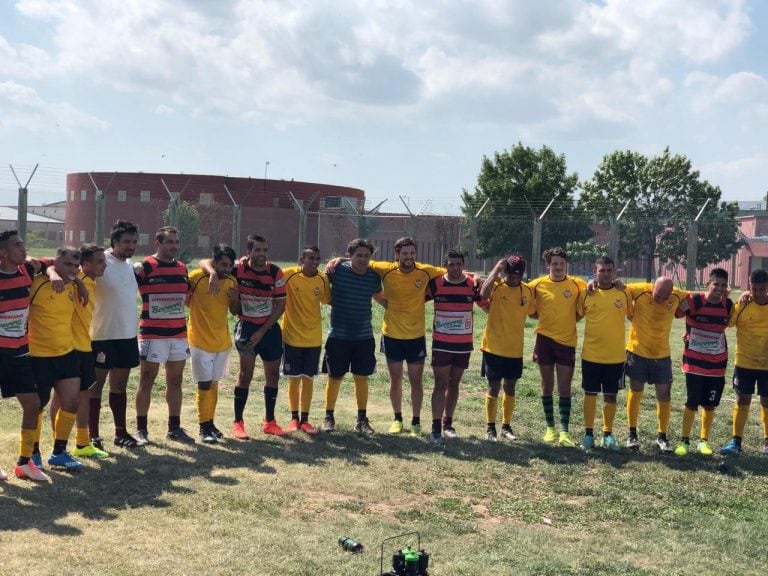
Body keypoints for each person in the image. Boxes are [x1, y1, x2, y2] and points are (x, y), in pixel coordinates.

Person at [209, 234, 286, 439]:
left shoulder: (275, 272)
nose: (262, 254)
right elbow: (207, 262)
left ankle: (269, 421)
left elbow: (280, 306)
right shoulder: (237, 268)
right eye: (257, 250)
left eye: (265, 250)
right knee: (245, 375)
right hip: (247, 328)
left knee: (272, 376)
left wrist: (262, 331)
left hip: (269, 330)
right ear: (248, 252)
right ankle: (238, 423)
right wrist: (212, 275)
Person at [369, 237, 443, 436]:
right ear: (397, 255)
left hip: (416, 336)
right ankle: (397, 419)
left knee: (416, 380)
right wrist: (337, 261)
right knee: (395, 379)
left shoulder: (426, 271)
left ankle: (416, 421)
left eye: (411, 253)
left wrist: (475, 277)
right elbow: (362, 261)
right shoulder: (386, 269)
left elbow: (454, 272)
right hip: (392, 334)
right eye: (404, 254)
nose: (408, 257)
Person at [134, 226, 193, 445]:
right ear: (158, 244)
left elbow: (186, 297)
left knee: (176, 381)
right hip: (152, 334)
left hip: (178, 334)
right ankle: (141, 429)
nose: (174, 246)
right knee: (147, 381)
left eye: (177, 242)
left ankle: (174, 427)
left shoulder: (182, 267)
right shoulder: (146, 266)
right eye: (169, 242)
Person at [28, 246, 84, 469]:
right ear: (55, 262)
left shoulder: (73, 283)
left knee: (72, 402)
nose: (72, 270)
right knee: (37, 407)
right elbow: (29, 260)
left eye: (75, 266)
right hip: (37, 355)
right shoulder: (36, 282)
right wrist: (50, 272)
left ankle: (59, 452)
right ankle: (32, 452)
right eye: (67, 264)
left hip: (66, 353)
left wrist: (79, 282)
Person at [0, 230, 48, 482]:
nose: (23, 248)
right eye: (17, 245)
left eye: (22, 244)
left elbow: (52, 264)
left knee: (33, 404)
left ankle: (24, 463)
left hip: (19, 352)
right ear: (3, 252)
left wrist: (51, 272)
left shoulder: (27, 270)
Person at [322, 239, 384, 434]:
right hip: (338, 335)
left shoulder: (374, 278)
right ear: (350, 256)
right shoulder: (337, 271)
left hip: (364, 336)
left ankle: (361, 419)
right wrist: (335, 260)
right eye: (359, 255)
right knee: (334, 377)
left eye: (366, 256)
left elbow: (382, 299)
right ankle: (329, 417)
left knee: (361, 378)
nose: (363, 259)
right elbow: (319, 279)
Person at [89, 220, 141, 449]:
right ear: (115, 242)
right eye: (126, 242)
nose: (131, 246)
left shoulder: (130, 264)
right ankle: (92, 436)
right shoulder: (101, 262)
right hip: (101, 336)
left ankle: (121, 434)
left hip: (127, 335)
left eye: (134, 242)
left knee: (119, 387)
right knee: (95, 387)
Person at [528, 247, 586, 447]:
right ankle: (550, 428)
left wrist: (568, 322)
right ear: (548, 265)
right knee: (547, 384)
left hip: (567, 342)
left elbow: (581, 311)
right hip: (544, 340)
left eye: (562, 263)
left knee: (564, 387)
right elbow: (531, 312)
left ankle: (564, 432)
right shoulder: (537, 285)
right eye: (555, 264)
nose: (558, 267)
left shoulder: (577, 284)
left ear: (566, 265)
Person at [425, 250, 484, 443]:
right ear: (445, 265)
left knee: (454, 384)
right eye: (451, 264)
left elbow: (487, 301)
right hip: (441, 344)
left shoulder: (472, 284)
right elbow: (415, 298)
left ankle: (447, 423)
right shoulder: (436, 284)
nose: (455, 268)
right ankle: (435, 428)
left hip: (463, 344)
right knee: (440, 384)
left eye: (459, 264)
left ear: (463, 265)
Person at [674, 268, 733, 456]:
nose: (720, 288)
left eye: (723, 285)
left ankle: (703, 441)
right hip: (694, 363)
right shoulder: (695, 300)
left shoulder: (728, 305)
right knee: (691, 401)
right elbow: (676, 313)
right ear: (708, 284)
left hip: (717, 366)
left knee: (710, 404)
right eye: (716, 284)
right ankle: (684, 441)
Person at [623, 276, 687, 452]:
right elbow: (620, 288)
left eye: (662, 297)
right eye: (656, 295)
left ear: (670, 294)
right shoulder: (641, 289)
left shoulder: (677, 296)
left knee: (664, 394)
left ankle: (662, 436)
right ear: (653, 288)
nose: (658, 299)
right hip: (637, 351)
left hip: (662, 354)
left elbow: (697, 298)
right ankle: (632, 434)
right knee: (636, 390)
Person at [479, 255, 535, 442]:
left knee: (510, 387)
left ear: (522, 275)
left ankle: (506, 426)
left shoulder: (527, 291)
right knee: (493, 386)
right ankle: (490, 427)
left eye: (516, 276)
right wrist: (495, 271)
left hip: (514, 349)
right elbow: (482, 295)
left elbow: (535, 312)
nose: (512, 279)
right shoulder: (496, 286)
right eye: (509, 274)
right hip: (493, 347)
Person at [187, 244, 238, 443]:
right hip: (199, 341)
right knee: (204, 383)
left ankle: (211, 422)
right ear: (214, 263)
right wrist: (211, 274)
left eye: (229, 265)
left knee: (215, 383)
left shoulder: (233, 281)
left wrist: (235, 300)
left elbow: (235, 311)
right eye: (222, 265)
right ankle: (203, 426)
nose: (226, 269)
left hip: (222, 342)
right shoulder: (197, 277)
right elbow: (200, 265)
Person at [578, 257, 630, 451]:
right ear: (595, 271)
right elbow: (576, 314)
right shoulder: (587, 293)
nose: (606, 274)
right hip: (591, 355)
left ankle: (607, 434)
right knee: (590, 394)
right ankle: (588, 434)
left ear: (614, 272)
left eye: (609, 270)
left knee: (611, 396)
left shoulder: (623, 293)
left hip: (615, 357)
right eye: (602, 271)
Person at [281, 246, 331, 435]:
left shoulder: (322, 278)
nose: (314, 262)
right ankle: (294, 419)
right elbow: (269, 274)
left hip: (313, 338)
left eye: (317, 258)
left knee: (308, 379)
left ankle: (305, 419)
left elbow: (328, 299)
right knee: (294, 379)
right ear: (301, 259)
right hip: (292, 337)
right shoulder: (289, 275)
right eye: (311, 258)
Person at [720, 269, 768, 455]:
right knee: (742, 400)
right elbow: (727, 323)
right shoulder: (743, 305)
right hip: (744, 362)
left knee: (766, 401)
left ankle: (766, 442)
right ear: (750, 286)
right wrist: (732, 297)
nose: (757, 293)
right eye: (754, 289)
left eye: (762, 289)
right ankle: (736, 442)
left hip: (766, 365)